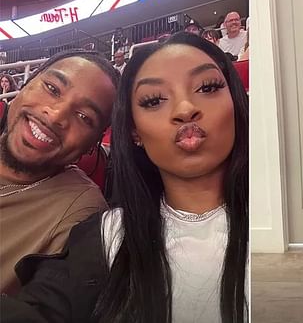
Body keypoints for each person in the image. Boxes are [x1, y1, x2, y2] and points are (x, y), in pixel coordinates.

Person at [1, 32, 249, 323]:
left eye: (207, 87)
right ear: (134, 132)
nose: (185, 109)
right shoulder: (106, 236)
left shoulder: (83, 214)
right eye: (155, 100)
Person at [0, 50, 119, 295]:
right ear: (25, 85)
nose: (55, 116)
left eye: (84, 117)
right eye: (52, 89)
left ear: (90, 146)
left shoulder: (80, 211)